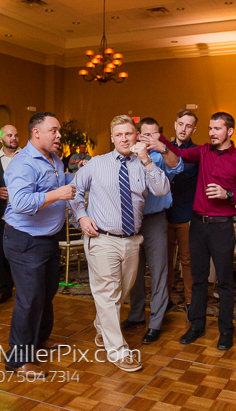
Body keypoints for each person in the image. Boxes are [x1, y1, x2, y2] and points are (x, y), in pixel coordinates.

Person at [71, 115, 169, 372]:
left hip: (132, 240)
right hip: (101, 238)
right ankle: (119, 351)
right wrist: (81, 216)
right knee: (107, 294)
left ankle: (102, 326)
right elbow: (74, 190)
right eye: (119, 135)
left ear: (136, 136)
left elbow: (162, 190)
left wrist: (147, 160)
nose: (124, 139)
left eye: (129, 134)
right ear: (112, 138)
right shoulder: (97, 163)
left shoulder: (144, 164)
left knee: (121, 293)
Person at [158, 112, 236, 351]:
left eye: (217, 129)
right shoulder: (202, 151)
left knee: (224, 282)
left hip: (222, 226)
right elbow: (179, 152)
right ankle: (197, 325)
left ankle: (226, 330)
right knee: (198, 279)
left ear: (229, 131)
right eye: (210, 128)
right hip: (198, 225)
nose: (212, 133)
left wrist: (227, 194)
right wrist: (158, 138)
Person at [2, 112, 76, 376]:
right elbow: (20, 203)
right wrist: (58, 194)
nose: (59, 135)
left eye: (59, 130)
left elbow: (62, 184)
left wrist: (78, 177)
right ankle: (17, 359)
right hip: (25, 241)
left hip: (48, 238)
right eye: (54, 130)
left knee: (46, 294)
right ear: (36, 133)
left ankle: (39, 339)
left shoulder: (54, 159)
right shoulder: (22, 164)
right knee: (29, 299)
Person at [122, 118, 183, 344]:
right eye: (145, 134)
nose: (149, 138)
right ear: (138, 135)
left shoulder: (161, 157)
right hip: (132, 221)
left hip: (155, 220)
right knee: (134, 272)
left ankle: (155, 323)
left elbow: (178, 167)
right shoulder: (128, 157)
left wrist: (162, 148)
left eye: (154, 134)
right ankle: (136, 316)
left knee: (159, 272)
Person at [165, 109, 199, 309]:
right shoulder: (163, 150)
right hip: (164, 216)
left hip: (186, 215)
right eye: (180, 124)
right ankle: (165, 301)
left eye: (188, 125)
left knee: (187, 261)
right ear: (175, 125)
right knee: (165, 262)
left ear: (194, 129)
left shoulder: (197, 153)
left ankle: (190, 302)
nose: (183, 129)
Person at [0, 124, 20, 304]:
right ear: (1, 139)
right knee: (0, 253)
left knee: (21, 253)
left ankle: (23, 289)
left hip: (23, 216)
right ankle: (5, 288)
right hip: (1, 214)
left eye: (16, 135)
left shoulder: (26, 157)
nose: (13, 138)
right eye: (9, 135)